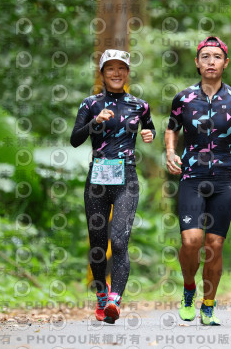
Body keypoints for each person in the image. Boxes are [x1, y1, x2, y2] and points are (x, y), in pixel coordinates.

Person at [165, 36, 231, 325]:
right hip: (192, 177)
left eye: (217, 57)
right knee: (191, 240)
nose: (211, 62)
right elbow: (171, 128)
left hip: (224, 179)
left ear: (226, 63)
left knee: (214, 244)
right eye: (205, 57)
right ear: (197, 63)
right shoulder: (183, 99)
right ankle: (189, 289)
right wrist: (170, 151)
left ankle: (208, 304)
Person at [70, 49, 155, 323]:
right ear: (103, 73)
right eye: (110, 68)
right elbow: (74, 139)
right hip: (97, 180)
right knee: (97, 246)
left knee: (119, 241)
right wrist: (94, 123)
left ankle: (115, 300)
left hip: (126, 180)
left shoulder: (139, 105)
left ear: (127, 73)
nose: (116, 73)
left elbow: (150, 127)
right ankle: (101, 294)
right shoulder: (90, 104)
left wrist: (149, 133)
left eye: (121, 68)